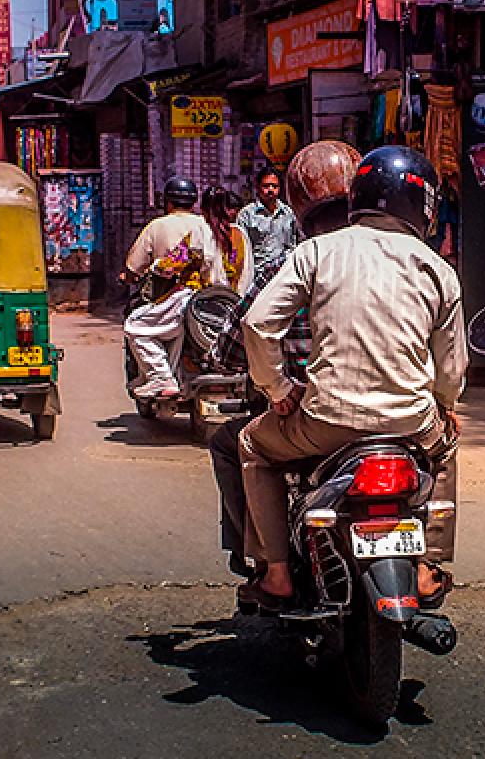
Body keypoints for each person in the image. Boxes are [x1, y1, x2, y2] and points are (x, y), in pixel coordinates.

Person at [236, 146, 467, 608]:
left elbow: (258, 325)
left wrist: (279, 390)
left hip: (324, 422)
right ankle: (429, 566)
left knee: (251, 445)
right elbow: (452, 368)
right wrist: (444, 405)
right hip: (409, 427)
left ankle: (277, 573)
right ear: (424, 209)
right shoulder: (438, 269)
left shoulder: (317, 252)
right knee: (446, 447)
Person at [206, 141, 362, 576]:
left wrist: (278, 389)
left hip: (315, 415)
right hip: (399, 413)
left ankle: (268, 564)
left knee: (236, 443)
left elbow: (245, 332)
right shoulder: (397, 261)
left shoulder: (297, 263)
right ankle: (430, 565)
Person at [123, 176, 216, 398]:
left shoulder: (157, 226)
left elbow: (134, 265)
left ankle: (159, 377)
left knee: (135, 326)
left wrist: (128, 275)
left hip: (173, 297)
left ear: (168, 202)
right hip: (208, 299)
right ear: (194, 203)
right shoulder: (207, 225)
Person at [234, 167, 301, 290]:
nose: (270, 190)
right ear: (258, 188)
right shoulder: (247, 215)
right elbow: (240, 250)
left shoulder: (289, 213)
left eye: (274, 186)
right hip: (256, 280)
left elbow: (296, 243)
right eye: (266, 186)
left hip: (283, 277)